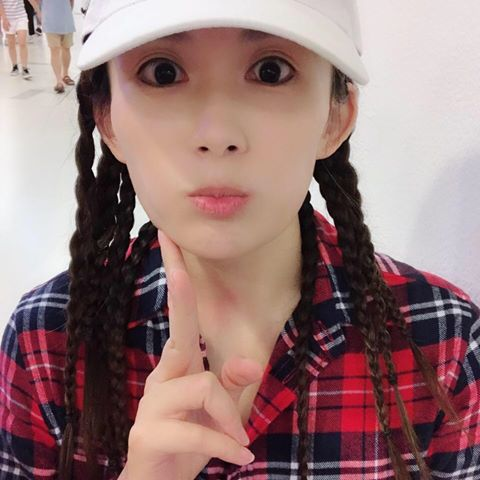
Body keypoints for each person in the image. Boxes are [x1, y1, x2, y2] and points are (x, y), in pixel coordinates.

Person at [1, 0, 479, 479]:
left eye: (271, 71)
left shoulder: (444, 345)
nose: (218, 134)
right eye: (163, 73)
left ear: (336, 116)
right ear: (107, 120)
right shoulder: (46, 343)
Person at [39, 0, 75, 93]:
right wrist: (38, 11)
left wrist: (69, 10)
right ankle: (59, 80)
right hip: (49, 19)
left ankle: (65, 74)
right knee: (54, 49)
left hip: (66, 18)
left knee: (66, 48)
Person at [0, 0, 41, 79]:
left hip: (21, 17)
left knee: (22, 43)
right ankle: (14, 66)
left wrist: (38, 12)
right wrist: (4, 18)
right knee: (11, 44)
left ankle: (25, 68)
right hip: (8, 18)